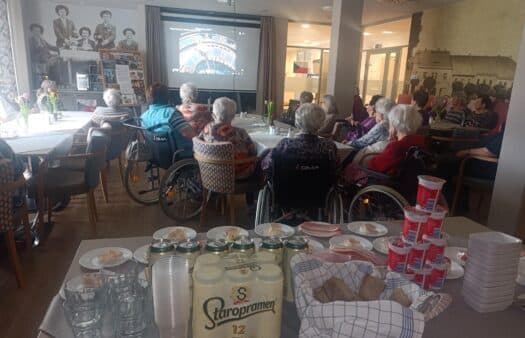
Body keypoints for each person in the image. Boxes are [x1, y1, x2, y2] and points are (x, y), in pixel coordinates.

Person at [261, 103, 338, 177]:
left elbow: (266, 167)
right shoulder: (329, 147)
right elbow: (336, 171)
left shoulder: (285, 145)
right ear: (321, 123)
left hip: (286, 189)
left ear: (298, 122)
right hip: (321, 189)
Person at [199, 97, 257, 180]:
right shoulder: (240, 133)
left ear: (213, 115)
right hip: (235, 175)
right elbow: (254, 152)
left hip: (210, 174)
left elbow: (198, 143)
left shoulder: (206, 129)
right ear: (233, 116)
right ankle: (254, 192)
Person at [366, 104, 425, 175]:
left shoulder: (396, 147)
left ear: (394, 125)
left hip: (385, 183)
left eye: (390, 123)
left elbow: (373, 166)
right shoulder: (421, 141)